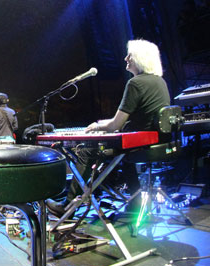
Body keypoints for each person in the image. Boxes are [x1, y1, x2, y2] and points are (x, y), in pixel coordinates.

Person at [46, 39, 169, 216]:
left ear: (140, 58)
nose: (126, 58)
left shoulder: (136, 83)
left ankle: (67, 207)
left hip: (137, 145)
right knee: (121, 154)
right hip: (152, 142)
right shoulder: (159, 81)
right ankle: (135, 203)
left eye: (130, 55)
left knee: (87, 151)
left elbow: (116, 125)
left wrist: (97, 126)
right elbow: (130, 120)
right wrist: (103, 124)